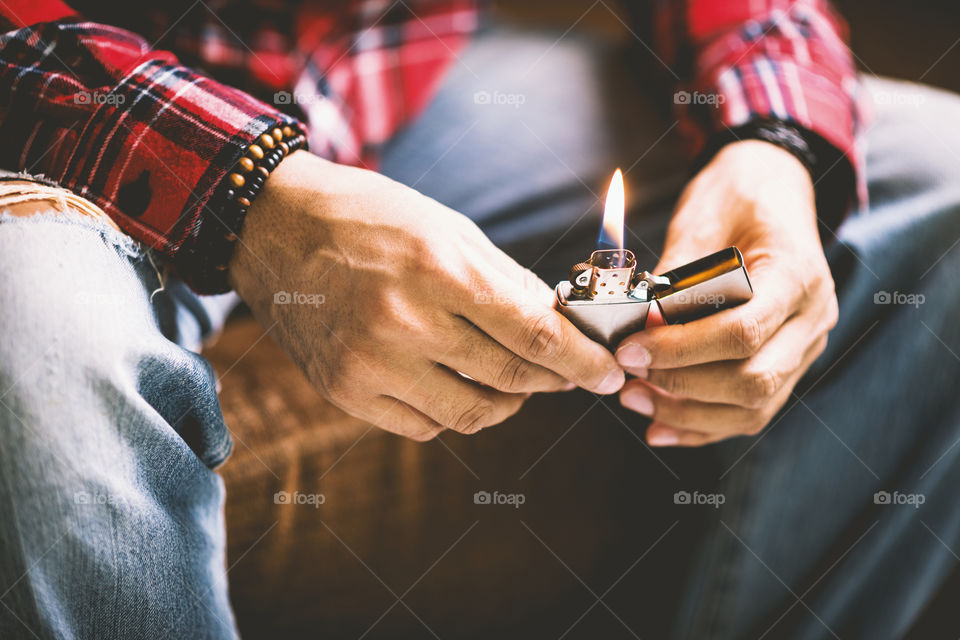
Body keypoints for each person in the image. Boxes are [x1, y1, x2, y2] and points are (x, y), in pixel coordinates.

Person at [1, 0, 958, 637]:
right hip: (61, 121)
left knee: (940, 175)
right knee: (37, 343)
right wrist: (251, 192)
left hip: (373, 82)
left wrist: (777, 141)